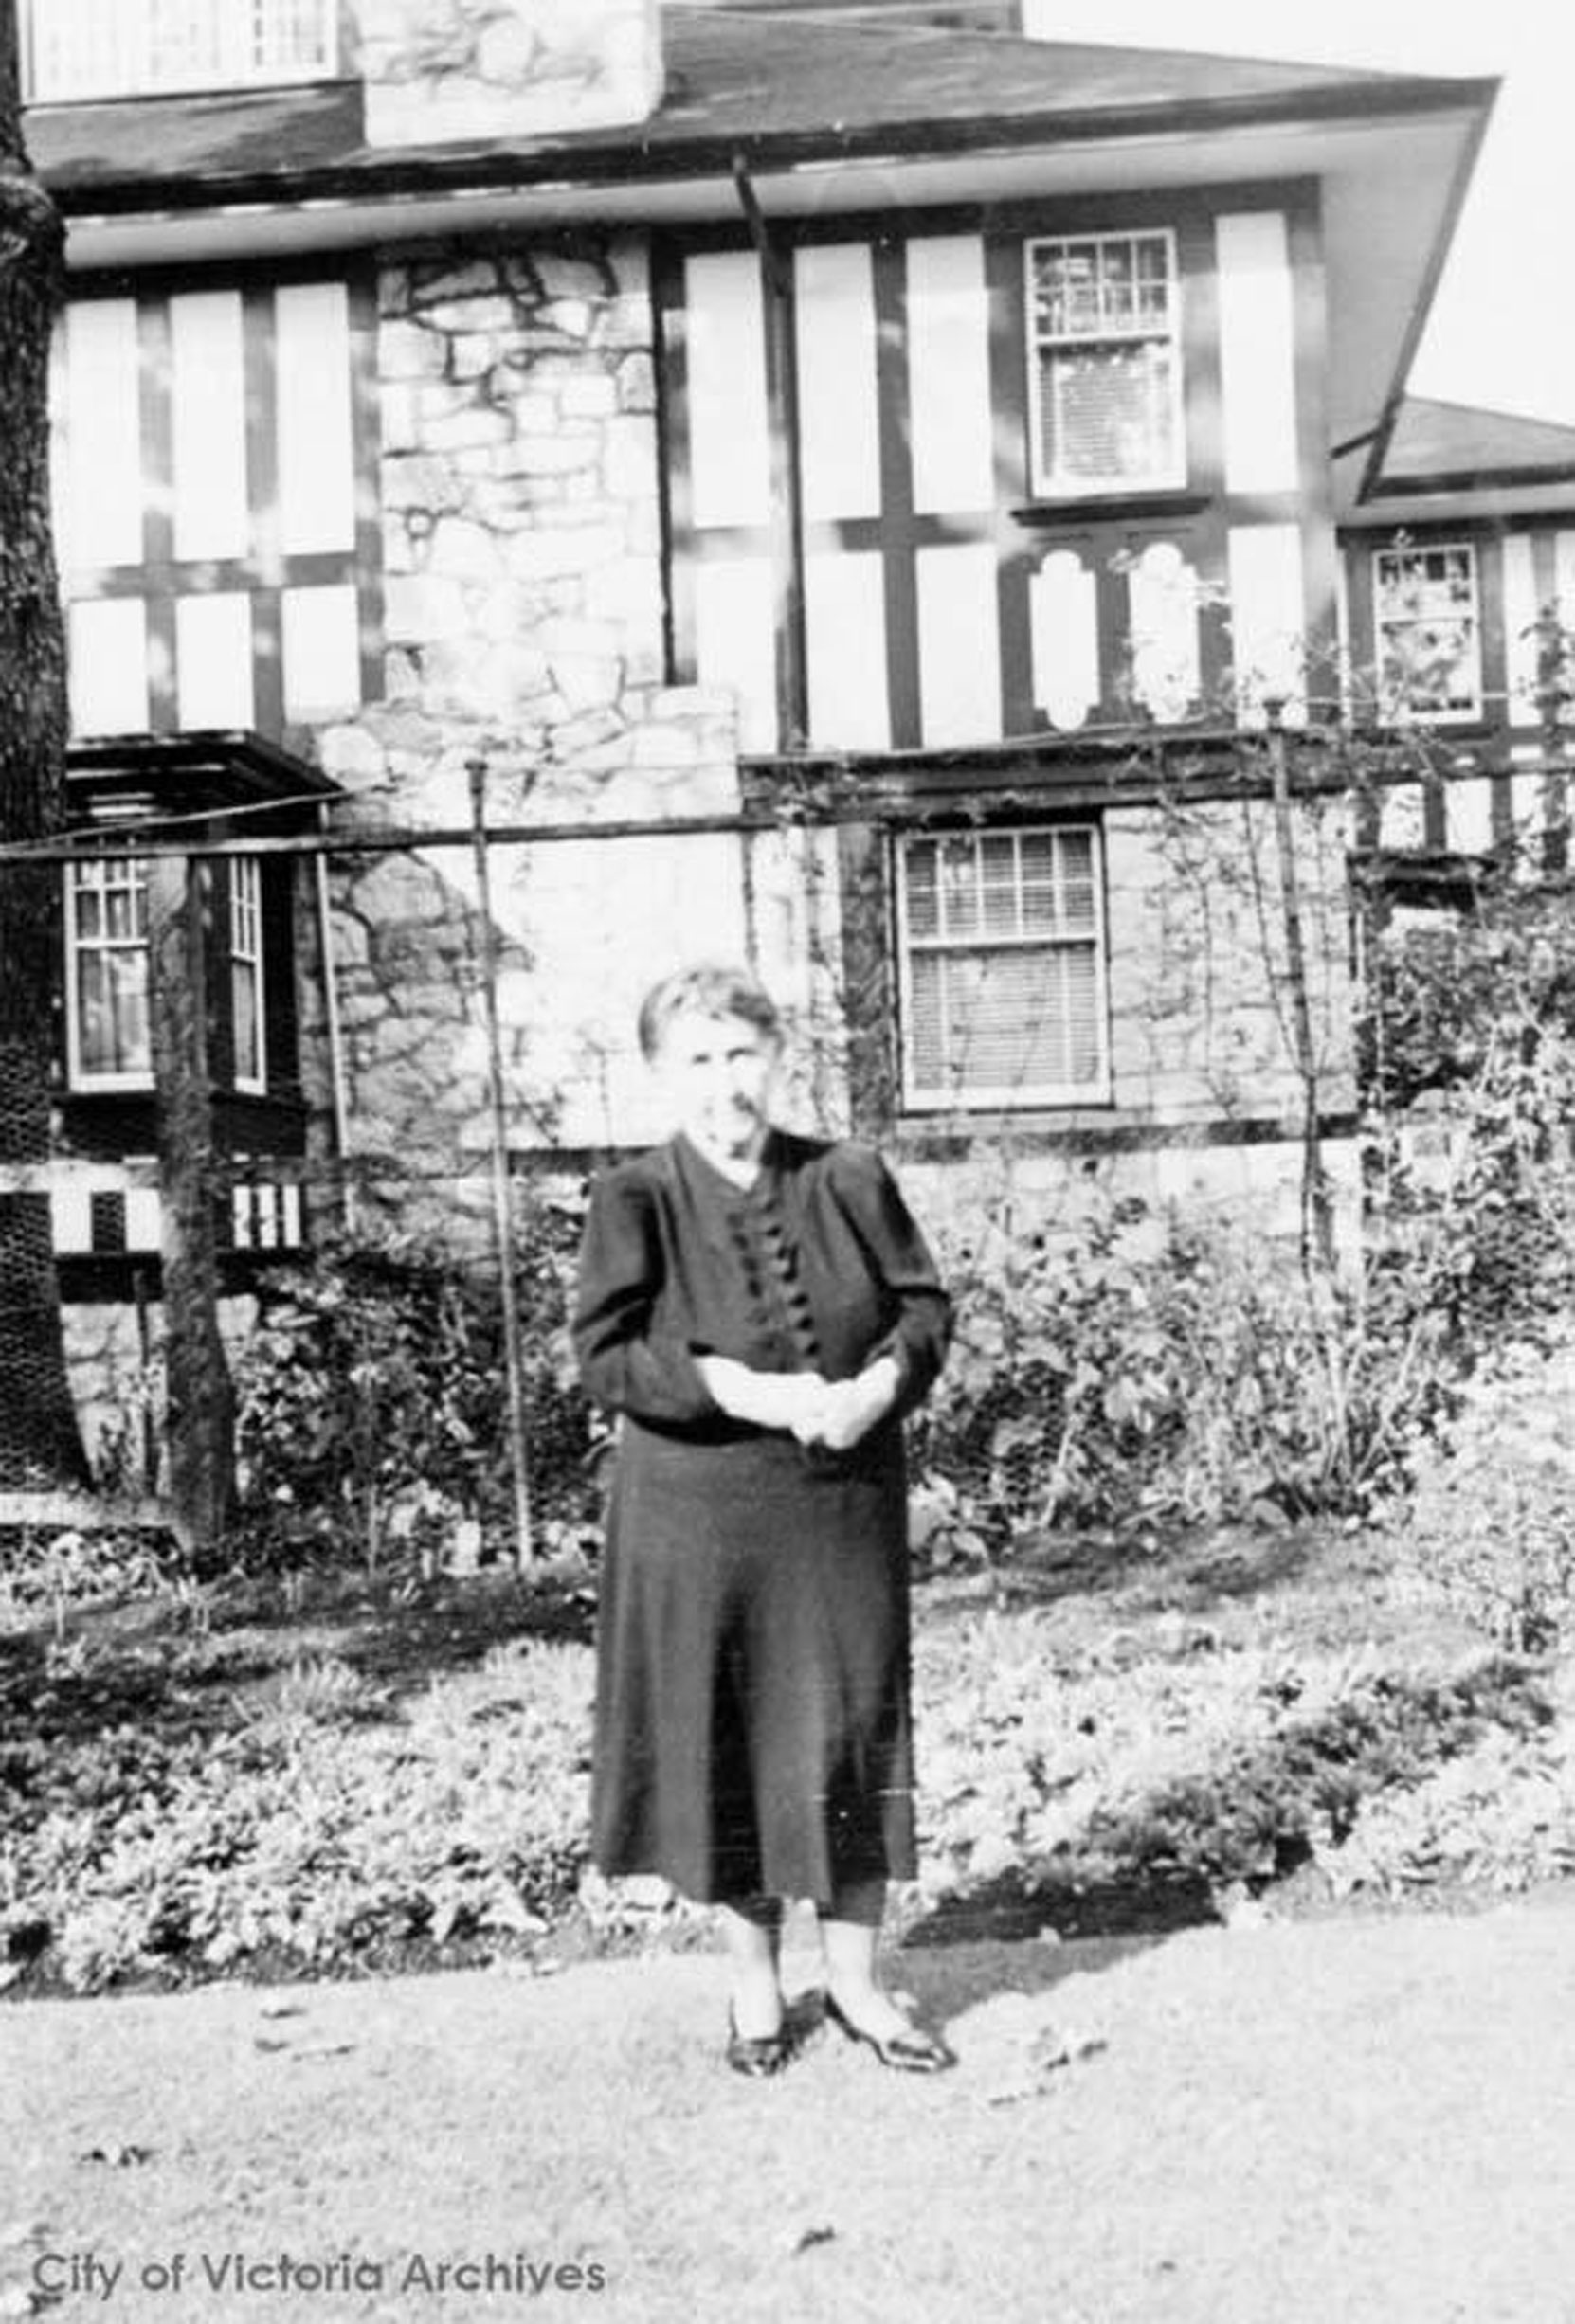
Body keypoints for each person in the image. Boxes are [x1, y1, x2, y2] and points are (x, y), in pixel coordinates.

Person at [572, 963, 954, 2076]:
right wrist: (744, 1389)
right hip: (698, 1518)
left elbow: (921, 1309)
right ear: (661, 1073)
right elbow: (606, 1354)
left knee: (849, 1730)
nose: (724, 1080)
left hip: (839, 1507)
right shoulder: (632, 1197)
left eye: (741, 1053)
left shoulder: (848, 1175)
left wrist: (879, 1387)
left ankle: (857, 1986)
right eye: (697, 1058)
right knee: (728, 1744)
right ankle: (753, 1987)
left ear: (777, 1057)